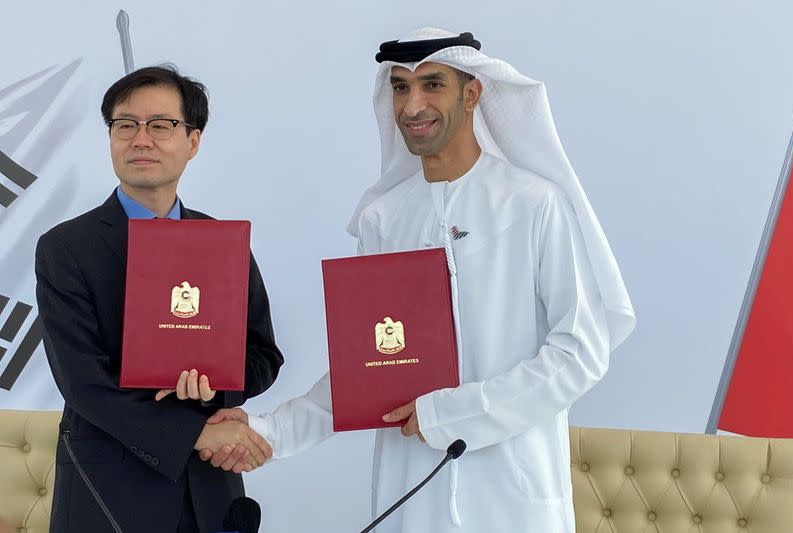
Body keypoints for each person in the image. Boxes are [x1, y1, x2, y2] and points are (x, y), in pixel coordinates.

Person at [207, 28, 635, 532]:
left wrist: (452, 412)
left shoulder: (534, 203)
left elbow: (579, 353)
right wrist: (268, 431)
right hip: (410, 494)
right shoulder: (383, 219)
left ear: (472, 93)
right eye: (400, 87)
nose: (413, 106)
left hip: (512, 494)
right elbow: (368, 369)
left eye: (433, 85)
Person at [35, 65, 283, 533]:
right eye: (124, 125)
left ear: (192, 141)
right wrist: (197, 432)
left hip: (212, 490)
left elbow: (263, 356)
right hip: (108, 488)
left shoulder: (221, 241)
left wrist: (217, 388)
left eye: (161, 125)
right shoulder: (66, 247)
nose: (140, 139)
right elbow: (83, 383)